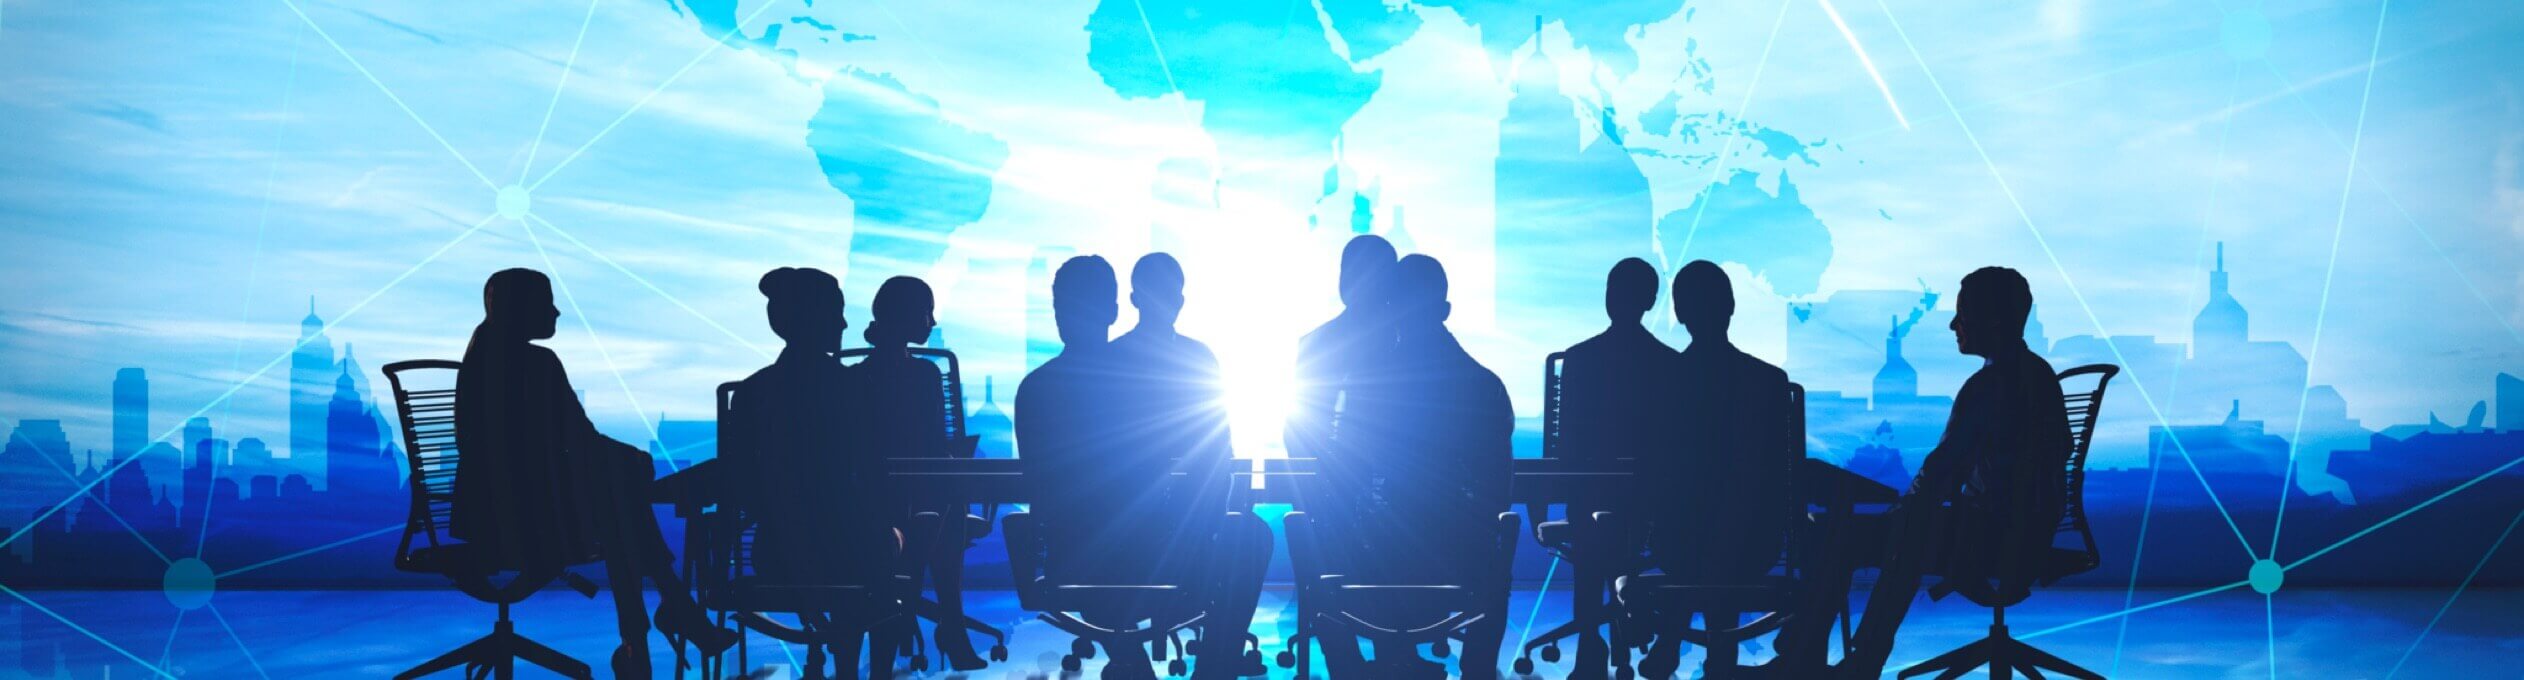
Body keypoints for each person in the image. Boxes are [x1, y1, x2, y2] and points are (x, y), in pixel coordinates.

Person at [452, 268, 735, 676]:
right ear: (521, 309)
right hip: (523, 521)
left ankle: (647, 630)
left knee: (620, 504)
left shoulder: (485, 359)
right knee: (621, 497)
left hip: (493, 517)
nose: (557, 312)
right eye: (547, 303)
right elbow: (579, 440)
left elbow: (566, 446)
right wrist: (635, 460)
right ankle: (657, 622)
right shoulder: (536, 364)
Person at [1837, 266, 2071, 678]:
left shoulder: (1988, 387)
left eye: (1962, 314)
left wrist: (1904, 509)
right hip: (2029, 537)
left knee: (1849, 536)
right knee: (1910, 525)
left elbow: (1940, 472)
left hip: (1990, 541)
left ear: (1993, 320)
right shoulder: (2040, 376)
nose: (1952, 324)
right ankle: (1858, 662)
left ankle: (1841, 662)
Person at [1324, 255, 1515, 680]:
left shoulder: (1365, 387)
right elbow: (1498, 494)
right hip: (1461, 562)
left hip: (1373, 564)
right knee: (1498, 551)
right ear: (1444, 311)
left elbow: (1342, 484)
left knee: (1316, 544)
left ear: (1389, 307)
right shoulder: (1485, 386)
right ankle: (1476, 671)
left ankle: (1360, 669)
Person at [726, 267, 903, 679]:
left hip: (775, 558)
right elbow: (875, 476)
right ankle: (863, 669)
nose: (844, 324)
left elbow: (742, 484)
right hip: (852, 556)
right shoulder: (854, 389)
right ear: (813, 319)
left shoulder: (752, 391)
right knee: (893, 543)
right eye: (836, 313)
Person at [1104, 253, 1272, 679]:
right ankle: (1216, 664)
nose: (1170, 302)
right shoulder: (1188, 359)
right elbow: (1221, 451)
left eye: (1173, 293)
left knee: (1251, 535)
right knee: (1251, 536)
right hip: (1152, 530)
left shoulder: (1121, 359)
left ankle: (1211, 664)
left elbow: (1218, 447)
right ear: (1136, 299)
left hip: (1161, 529)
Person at [1633, 260, 1801, 679]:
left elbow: (1652, 471)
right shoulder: (1769, 382)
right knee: (1724, 527)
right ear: (1730, 306)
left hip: (1679, 542)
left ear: (1682, 314)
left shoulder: (1660, 384)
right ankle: (1716, 654)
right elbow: (1782, 475)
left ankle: (1674, 641)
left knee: (1696, 530)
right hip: (1756, 542)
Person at [1541, 257, 1678, 678]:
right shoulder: (1669, 363)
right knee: (1596, 523)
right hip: (1651, 509)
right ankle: (1621, 627)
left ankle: (1589, 648)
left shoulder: (1581, 359)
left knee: (1587, 527)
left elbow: (1567, 453)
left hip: (1597, 503)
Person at [853, 276, 989, 671]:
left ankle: (908, 609)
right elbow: (929, 447)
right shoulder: (924, 377)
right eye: (925, 311)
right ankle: (947, 622)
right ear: (907, 316)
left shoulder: (859, 376)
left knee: (938, 507)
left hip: (894, 497)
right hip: (892, 501)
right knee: (944, 503)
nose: (931, 320)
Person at [1287, 234, 1399, 461]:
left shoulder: (1317, 342)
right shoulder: (1316, 343)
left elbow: (1299, 432)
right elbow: (1300, 429)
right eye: (1349, 271)